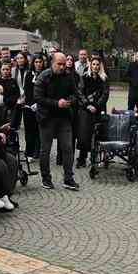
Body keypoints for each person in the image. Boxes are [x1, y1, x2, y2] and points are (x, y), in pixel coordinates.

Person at [33, 51, 81, 191]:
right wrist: (56, 103)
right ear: (52, 63)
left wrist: (69, 101)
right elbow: (37, 97)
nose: (62, 67)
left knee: (68, 148)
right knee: (45, 150)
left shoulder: (68, 75)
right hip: (46, 118)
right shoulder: (43, 76)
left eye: (63, 64)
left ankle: (68, 178)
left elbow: (75, 93)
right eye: (59, 64)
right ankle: (46, 179)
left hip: (64, 117)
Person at [75, 58, 110, 168]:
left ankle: (95, 158)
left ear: (100, 66)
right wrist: (88, 105)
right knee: (84, 135)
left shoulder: (104, 78)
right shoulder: (84, 77)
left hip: (98, 109)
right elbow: (80, 93)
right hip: (85, 110)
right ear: (90, 65)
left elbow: (105, 95)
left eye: (97, 65)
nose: (95, 66)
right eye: (93, 64)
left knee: (98, 134)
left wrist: (96, 106)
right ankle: (82, 159)